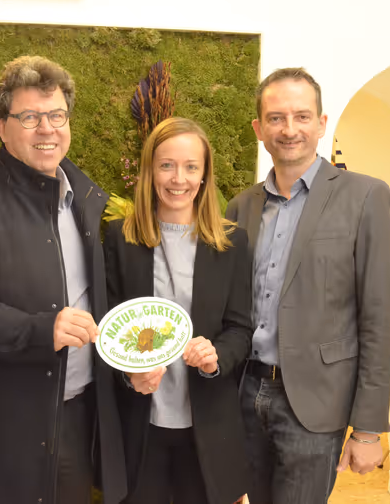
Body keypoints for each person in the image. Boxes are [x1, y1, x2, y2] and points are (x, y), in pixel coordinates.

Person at [0, 55, 127, 504]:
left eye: (57, 115)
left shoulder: (87, 202)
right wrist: (40, 330)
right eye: (30, 117)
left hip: (73, 422)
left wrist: (133, 362)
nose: (46, 129)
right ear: (2, 126)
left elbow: (102, 303)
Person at [226, 67, 390, 503]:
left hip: (315, 405)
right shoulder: (240, 207)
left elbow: (379, 319)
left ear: (321, 124)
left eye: (302, 116)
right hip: (245, 395)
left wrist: (368, 428)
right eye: (276, 118)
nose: (289, 129)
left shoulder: (365, 197)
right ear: (259, 129)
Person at [103, 117, 252, 504]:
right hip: (140, 427)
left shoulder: (232, 243)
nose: (178, 179)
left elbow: (240, 328)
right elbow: (108, 330)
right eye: (166, 165)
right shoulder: (121, 239)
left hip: (207, 430)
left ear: (204, 175)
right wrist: (129, 374)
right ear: (150, 171)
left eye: (190, 167)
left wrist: (215, 357)